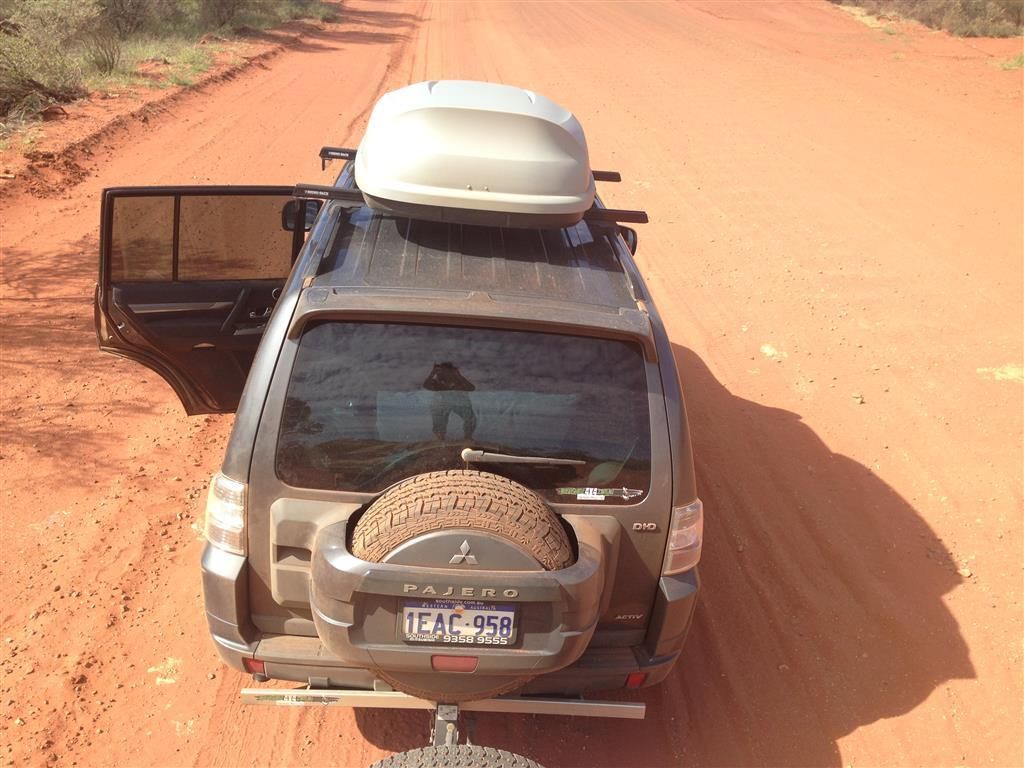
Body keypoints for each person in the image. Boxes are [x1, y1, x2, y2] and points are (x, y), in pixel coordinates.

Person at [423, 362, 477, 440]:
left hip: (459, 403)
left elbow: (471, 388)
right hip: (443, 404)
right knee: (438, 413)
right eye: (443, 371)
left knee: (470, 417)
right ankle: (440, 437)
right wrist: (432, 373)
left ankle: (468, 437)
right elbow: (426, 385)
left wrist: (459, 376)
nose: (446, 374)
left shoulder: (458, 381)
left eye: (448, 371)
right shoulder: (439, 383)